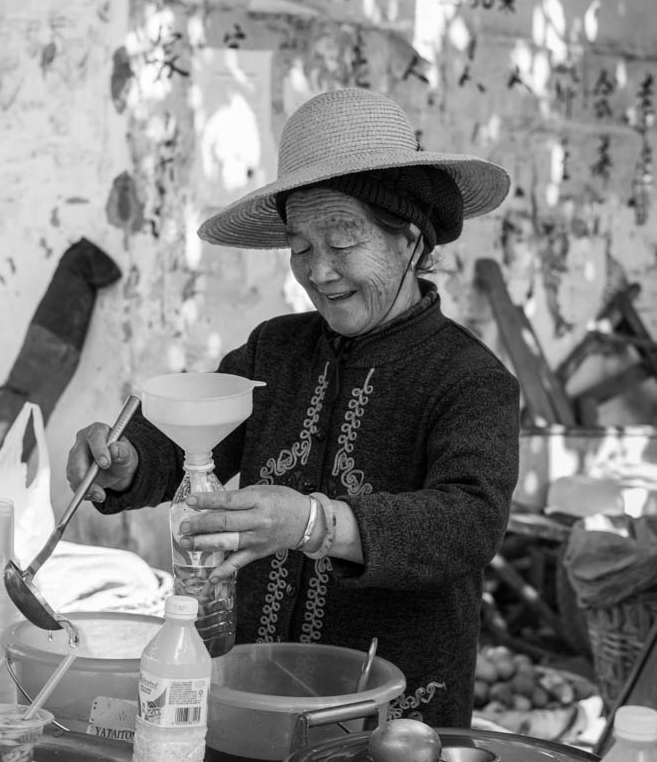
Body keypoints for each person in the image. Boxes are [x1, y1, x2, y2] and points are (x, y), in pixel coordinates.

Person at [67, 88, 520, 728]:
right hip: (259, 699)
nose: (319, 271)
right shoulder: (276, 350)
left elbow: (468, 522)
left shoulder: (470, 379)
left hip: (394, 723)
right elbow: (188, 444)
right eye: (301, 246)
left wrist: (314, 523)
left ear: (411, 241)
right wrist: (127, 459)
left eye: (342, 240)